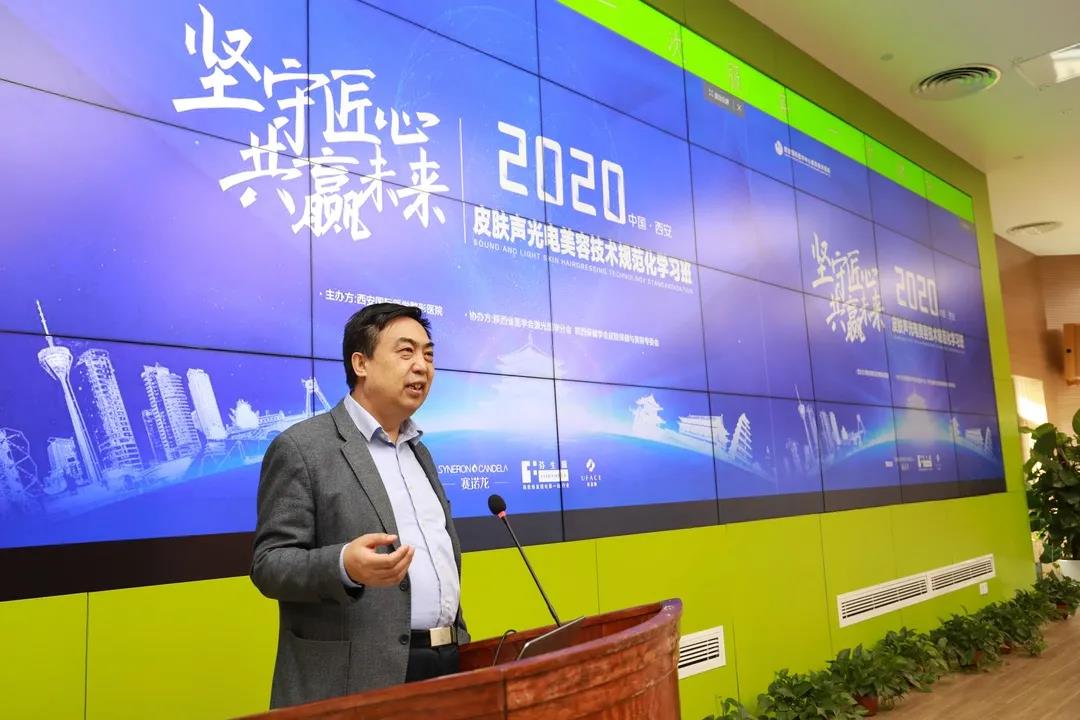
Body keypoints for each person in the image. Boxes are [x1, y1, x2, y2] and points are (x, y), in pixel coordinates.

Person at [251, 303, 468, 709]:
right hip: (357, 678)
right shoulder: (302, 448)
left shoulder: (420, 452)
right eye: (406, 352)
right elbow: (270, 565)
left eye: (428, 354)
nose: (422, 366)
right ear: (361, 363)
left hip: (447, 666)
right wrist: (343, 566)